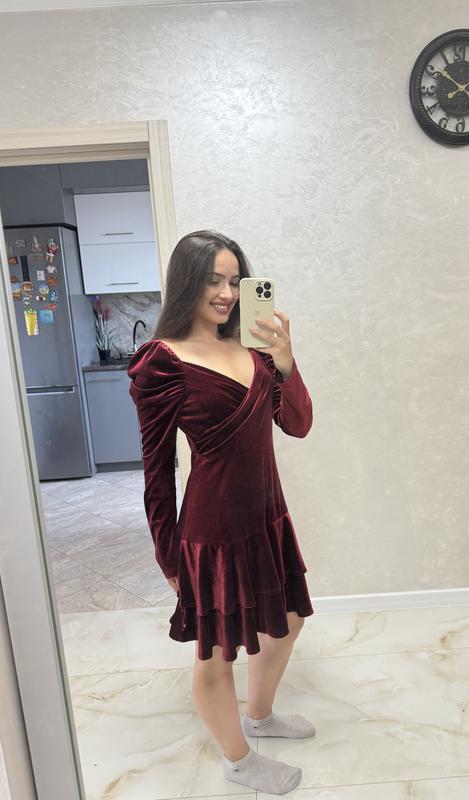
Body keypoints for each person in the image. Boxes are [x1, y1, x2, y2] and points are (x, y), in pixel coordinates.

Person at [127, 230, 315, 795]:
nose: (227, 293)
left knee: (289, 620)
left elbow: (298, 424)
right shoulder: (162, 362)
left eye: (234, 280)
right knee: (216, 654)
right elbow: (157, 470)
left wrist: (287, 362)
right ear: (188, 282)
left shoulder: (254, 349)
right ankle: (238, 760)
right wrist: (169, 557)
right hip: (211, 531)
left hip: (268, 515)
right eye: (213, 280)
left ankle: (259, 715)